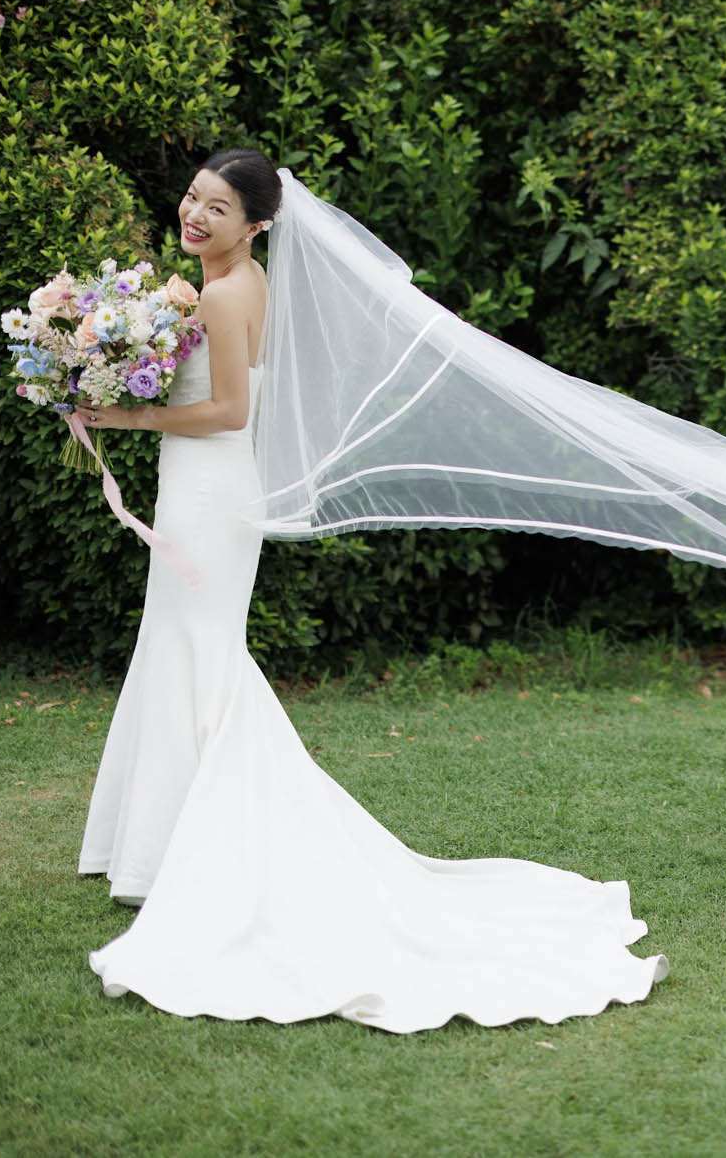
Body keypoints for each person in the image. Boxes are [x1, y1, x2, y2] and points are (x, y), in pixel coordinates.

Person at [73, 151, 666, 1029]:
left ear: (256, 224)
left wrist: (117, 412)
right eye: (194, 198)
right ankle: (158, 850)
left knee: (199, 652)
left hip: (212, 490)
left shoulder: (230, 293)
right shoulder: (221, 284)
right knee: (179, 647)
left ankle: (195, 852)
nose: (197, 215)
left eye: (219, 207)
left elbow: (232, 412)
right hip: (196, 487)